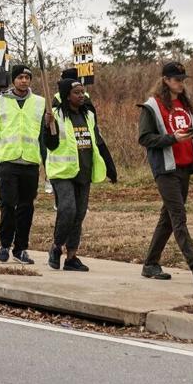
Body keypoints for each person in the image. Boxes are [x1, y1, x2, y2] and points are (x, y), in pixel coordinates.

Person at [137, 61, 193, 283]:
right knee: (178, 216)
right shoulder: (152, 106)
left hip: (185, 168)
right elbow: (144, 138)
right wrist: (172, 138)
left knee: (167, 219)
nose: (181, 83)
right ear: (165, 80)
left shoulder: (185, 106)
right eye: (177, 80)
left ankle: (150, 264)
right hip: (165, 170)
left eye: (183, 80)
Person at [0, 64, 53, 265]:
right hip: (8, 162)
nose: (24, 80)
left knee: (26, 207)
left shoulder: (39, 103)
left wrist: (48, 124)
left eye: (27, 77)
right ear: (13, 80)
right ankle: (5, 243)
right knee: (8, 204)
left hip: (30, 162)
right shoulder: (0, 101)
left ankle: (21, 248)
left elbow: (44, 137)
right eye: (20, 77)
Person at [44, 78, 116, 271]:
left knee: (80, 214)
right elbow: (49, 144)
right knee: (68, 209)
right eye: (76, 92)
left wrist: (110, 166)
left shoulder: (89, 115)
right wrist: (47, 127)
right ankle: (56, 246)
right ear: (67, 95)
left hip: (84, 171)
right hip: (62, 172)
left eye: (82, 92)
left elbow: (97, 141)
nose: (81, 95)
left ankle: (71, 257)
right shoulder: (56, 115)